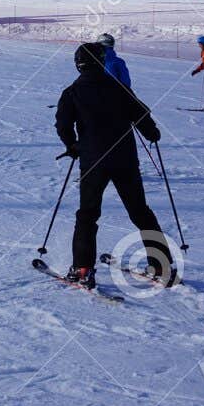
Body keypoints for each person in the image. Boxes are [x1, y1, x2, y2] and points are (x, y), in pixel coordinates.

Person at [55, 42, 174, 288]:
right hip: (125, 160)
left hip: (93, 160)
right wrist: (152, 133)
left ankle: (83, 268)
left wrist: (72, 145)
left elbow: (63, 125)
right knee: (140, 211)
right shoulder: (117, 87)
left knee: (88, 214)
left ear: (78, 64)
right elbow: (141, 114)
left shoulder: (72, 92)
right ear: (100, 61)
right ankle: (161, 265)